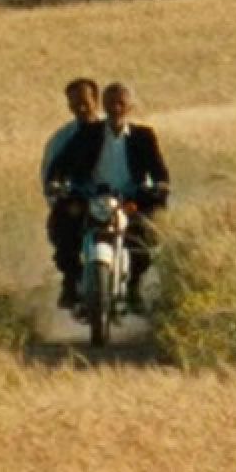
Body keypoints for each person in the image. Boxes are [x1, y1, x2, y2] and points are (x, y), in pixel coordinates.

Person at [51, 80, 171, 306]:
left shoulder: (143, 136)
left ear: (130, 107)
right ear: (103, 106)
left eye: (121, 103)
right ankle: (70, 282)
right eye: (111, 104)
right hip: (90, 197)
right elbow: (61, 163)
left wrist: (161, 184)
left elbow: (159, 169)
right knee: (65, 225)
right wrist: (56, 182)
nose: (116, 108)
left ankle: (134, 285)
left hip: (129, 199)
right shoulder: (88, 133)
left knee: (142, 236)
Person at [41, 77, 101, 303]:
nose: (81, 108)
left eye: (85, 102)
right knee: (63, 229)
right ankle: (70, 281)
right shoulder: (61, 140)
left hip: (115, 199)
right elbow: (49, 174)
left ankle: (139, 286)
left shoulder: (114, 132)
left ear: (96, 100)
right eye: (75, 104)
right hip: (79, 201)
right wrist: (56, 196)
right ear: (69, 106)